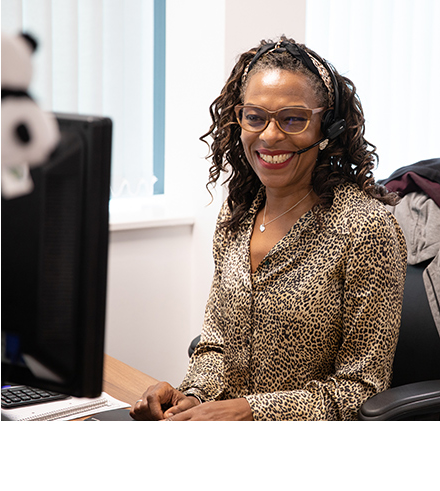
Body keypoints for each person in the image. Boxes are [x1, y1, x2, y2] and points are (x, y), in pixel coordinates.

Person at [130, 35, 407, 421]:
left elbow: (361, 390)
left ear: (325, 128)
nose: (271, 136)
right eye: (255, 117)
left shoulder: (365, 229)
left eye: (293, 118)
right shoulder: (237, 213)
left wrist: (249, 412)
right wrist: (191, 397)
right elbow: (216, 345)